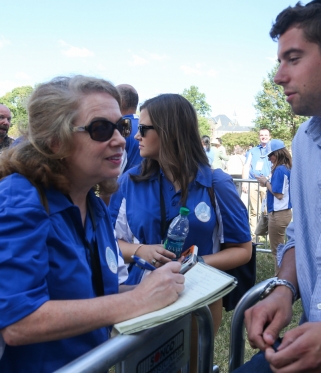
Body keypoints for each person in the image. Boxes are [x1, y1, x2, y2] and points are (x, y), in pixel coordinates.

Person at [0, 76, 185, 373]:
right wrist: (136, 300)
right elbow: (18, 322)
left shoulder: (94, 206)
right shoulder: (20, 200)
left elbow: (94, 296)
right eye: (101, 129)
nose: (121, 140)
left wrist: (154, 289)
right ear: (55, 140)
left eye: (122, 127)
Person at [235, 0, 321, 373]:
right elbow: (304, 232)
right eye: (280, 61)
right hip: (305, 354)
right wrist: (284, 288)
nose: (278, 76)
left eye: (293, 58)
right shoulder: (304, 143)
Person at [108, 94, 252, 333]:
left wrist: (194, 264)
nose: (136, 136)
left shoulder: (216, 184)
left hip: (198, 299)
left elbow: (243, 250)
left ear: (169, 131)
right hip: (142, 296)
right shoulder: (130, 182)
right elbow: (110, 243)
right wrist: (140, 250)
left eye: (143, 129)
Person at [255, 140, 292, 275]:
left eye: (270, 156)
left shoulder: (280, 169)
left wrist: (265, 182)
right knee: (279, 248)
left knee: (277, 250)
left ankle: (280, 278)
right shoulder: (286, 167)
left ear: (276, 154)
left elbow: (278, 194)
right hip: (282, 213)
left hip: (279, 214)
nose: (269, 159)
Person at [241, 128, 271, 239]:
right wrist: (244, 182)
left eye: (266, 135)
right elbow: (246, 166)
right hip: (253, 183)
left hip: (267, 183)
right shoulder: (252, 151)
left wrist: (269, 178)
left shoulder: (273, 150)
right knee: (254, 210)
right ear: (259, 136)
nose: (263, 137)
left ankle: (267, 234)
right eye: (261, 135)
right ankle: (255, 235)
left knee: (267, 210)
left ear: (269, 136)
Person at [116, 84, 142, 173]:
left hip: (124, 185)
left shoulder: (118, 128)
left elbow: (115, 173)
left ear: (120, 101)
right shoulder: (149, 126)